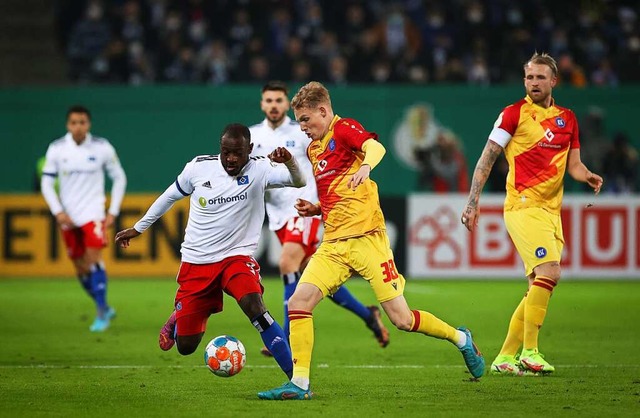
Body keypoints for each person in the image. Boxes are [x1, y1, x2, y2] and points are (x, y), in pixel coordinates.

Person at [258, 82, 485, 401]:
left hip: (368, 241)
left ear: (323, 111)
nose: (303, 127)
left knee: (402, 320)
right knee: (299, 303)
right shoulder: (314, 149)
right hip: (334, 245)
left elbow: (376, 148)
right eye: (300, 121)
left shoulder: (344, 129)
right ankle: (300, 384)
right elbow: (337, 193)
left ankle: (460, 338)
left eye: (307, 120)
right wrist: (317, 208)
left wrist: (366, 165)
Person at [115, 123, 306, 379]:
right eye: (226, 152)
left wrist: (290, 161)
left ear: (249, 149)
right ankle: (178, 315)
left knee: (254, 306)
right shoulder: (198, 168)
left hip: (235, 258)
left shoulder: (260, 168)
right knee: (185, 346)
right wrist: (139, 228)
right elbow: (169, 197)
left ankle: (296, 379)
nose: (231, 159)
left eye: (238, 153)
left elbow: (299, 180)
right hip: (197, 262)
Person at [460, 52, 604, 376]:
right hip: (523, 207)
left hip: (551, 212)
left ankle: (505, 357)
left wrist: (587, 175)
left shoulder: (568, 119)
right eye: (529, 77)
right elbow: (487, 159)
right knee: (550, 272)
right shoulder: (513, 114)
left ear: (554, 80)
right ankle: (530, 351)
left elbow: (575, 165)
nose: (534, 83)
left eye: (540, 77)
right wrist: (472, 202)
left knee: (536, 285)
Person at [249, 81, 389, 356]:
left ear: (285, 102)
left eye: (279, 100)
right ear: (262, 104)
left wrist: (323, 203)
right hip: (278, 217)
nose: (274, 105)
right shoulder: (254, 137)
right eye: (269, 100)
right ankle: (368, 315)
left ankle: (287, 336)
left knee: (287, 262)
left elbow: (327, 161)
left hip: (302, 211)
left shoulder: (302, 130)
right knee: (316, 279)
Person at [41, 105, 126, 332]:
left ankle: (101, 313)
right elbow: (46, 183)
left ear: (89, 124)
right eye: (74, 122)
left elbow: (119, 178)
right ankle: (104, 306)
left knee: (93, 257)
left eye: (82, 122)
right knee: (79, 266)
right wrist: (57, 211)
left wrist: (113, 211)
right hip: (68, 215)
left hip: (93, 212)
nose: (78, 127)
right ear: (68, 125)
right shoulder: (57, 149)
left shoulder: (102, 147)